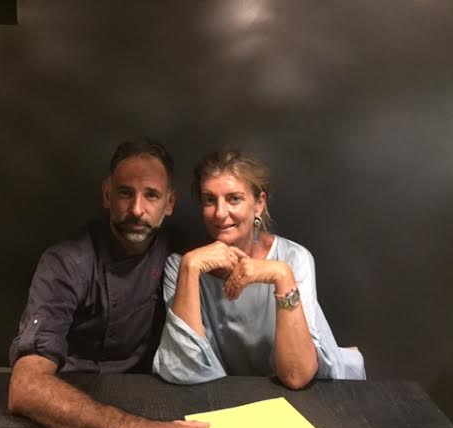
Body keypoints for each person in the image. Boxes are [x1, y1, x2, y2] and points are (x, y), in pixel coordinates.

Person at [8, 138, 231, 428]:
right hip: (69, 404)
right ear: (107, 194)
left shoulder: (179, 252)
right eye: (125, 193)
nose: (137, 210)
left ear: (169, 203)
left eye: (151, 195)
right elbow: (25, 387)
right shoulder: (66, 263)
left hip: (151, 395)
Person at [153, 147, 366, 389]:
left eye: (234, 198)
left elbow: (297, 376)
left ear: (259, 204)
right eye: (210, 200)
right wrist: (190, 268)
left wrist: (282, 276)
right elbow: (184, 371)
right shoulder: (182, 266)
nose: (220, 213)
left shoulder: (293, 258)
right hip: (229, 396)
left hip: (320, 392)